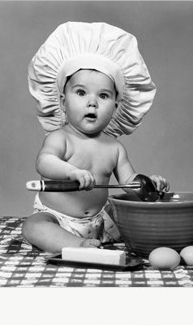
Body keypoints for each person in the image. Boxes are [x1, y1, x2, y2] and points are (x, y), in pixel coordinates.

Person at [23, 22, 169, 253]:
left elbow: (129, 182)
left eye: (103, 95)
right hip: (57, 218)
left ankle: (100, 240)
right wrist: (71, 172)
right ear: (62, 101)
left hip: (101, 221)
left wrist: (148, 185)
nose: (92, 102)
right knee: (33, 227)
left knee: (136, 215)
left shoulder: (114, 148)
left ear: (117, 105)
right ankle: (76, 245)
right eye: (81, 92)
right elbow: (45, 162)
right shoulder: (60, 138)